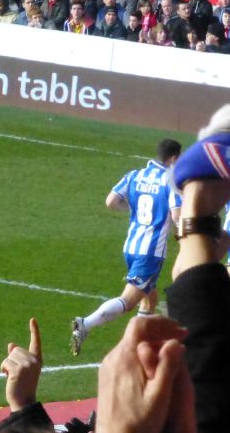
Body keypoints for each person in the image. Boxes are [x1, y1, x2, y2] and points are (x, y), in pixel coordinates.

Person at [70, 139, 182, 354]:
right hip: (150, 251)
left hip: (131, 246)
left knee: (150, 300)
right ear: (174, 158)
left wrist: (135, 210)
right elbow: (177, 216)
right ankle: (85, 324)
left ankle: (140, 345)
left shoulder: (134, 175)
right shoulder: (171, 181)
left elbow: (111, 202)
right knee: (129, 301)